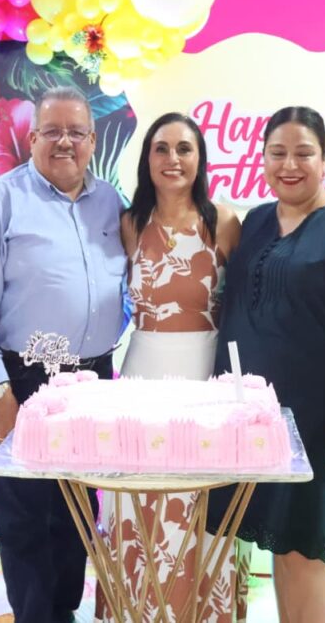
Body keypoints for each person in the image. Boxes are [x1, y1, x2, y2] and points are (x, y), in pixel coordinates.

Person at [207, 106, 325, 622]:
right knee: (281, 545)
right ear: (263, 159)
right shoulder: (256, 222)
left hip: (320, 422)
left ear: (323, 158)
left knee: (305, 550)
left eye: (303, 153)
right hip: (256, 419)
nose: (289, 165)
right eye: (277, 153)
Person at [0, 86, 126, 623]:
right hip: (22, 378)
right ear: (32, 138)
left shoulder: (110, 201)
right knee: (25, 512)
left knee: (76, 508)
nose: (64, 142)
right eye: (52, 131)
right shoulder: (1, 200)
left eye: (76, 132)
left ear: (93, 140)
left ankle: (62, 610)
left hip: (93, 379)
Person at [97, 113, 243, 621]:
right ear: (147, 159)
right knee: (137, 499)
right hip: (142, 375)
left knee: (199, 500)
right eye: (161, 148)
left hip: (205, 379)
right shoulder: (129, 224)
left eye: (184, 148)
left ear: (200, 158)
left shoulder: (224, 222)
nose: (173, 159)